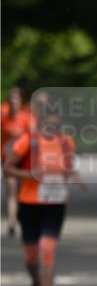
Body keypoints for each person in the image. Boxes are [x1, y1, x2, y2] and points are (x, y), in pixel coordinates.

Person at [3, 104, 86, 286]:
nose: (53, 129)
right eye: (49, 125)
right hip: (30, 204)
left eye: (57, 125)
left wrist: (75, 177)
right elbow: (7, 168)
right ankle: (37, 283)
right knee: (31, 258)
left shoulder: (66, 142)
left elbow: (67, 166)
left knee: (47, 250)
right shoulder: (28, 142)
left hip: (55, 204)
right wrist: (30, 175)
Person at [1, 82, 33, 236]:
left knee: (21, 191)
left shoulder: (26, 116)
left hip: (23, 158)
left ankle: (21, 215)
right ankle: (11, 223)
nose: (12, 101)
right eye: (11, 98)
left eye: (16, 98)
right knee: (11, 190)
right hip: (7, 159)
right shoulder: (2, 113)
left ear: (21, 100)